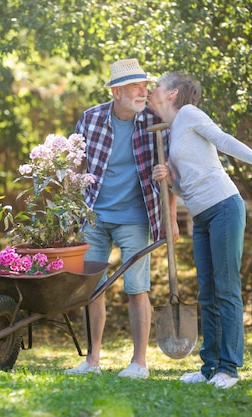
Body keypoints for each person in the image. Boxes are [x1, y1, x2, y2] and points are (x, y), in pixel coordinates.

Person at [149, 72, 252, 389]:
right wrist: (168, 177)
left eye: (157, 86)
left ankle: (229, 368)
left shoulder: (189, 114)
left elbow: (223, 140)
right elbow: (185, 190)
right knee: (206, 292)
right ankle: (209, 367)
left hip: (225, 207)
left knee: (226, 289)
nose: (152, 91)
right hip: (202, 217)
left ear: (172, 94)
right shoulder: (173, 134)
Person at [63, 58, 177, 379]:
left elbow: (171, 171)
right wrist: (70, 184)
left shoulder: (155, 121)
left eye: (144, 86)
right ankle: (92, 361)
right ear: (116, 92)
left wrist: (172, 216)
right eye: (136, 87)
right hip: (95, 217)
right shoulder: (91, 118)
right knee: (91, 289)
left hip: (137, 218)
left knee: (136, 288)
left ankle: (139, 363)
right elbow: (76, 163)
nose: (144, 92)